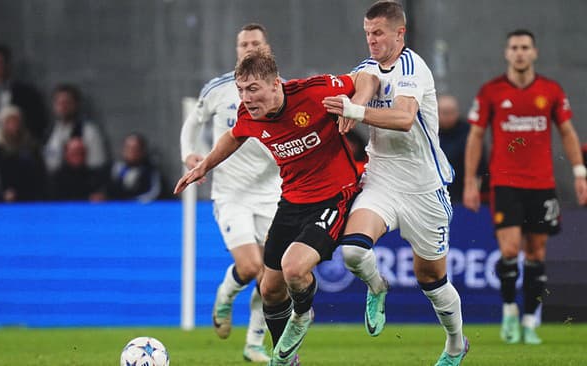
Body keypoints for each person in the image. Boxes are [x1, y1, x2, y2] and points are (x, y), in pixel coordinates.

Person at [175, 49, 378, 366]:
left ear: (275, 84)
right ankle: (289, 358)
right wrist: (205, 166)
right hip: (291, 200)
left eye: (252, 89)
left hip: (333, 196)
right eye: (241, 90)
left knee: (294, 269)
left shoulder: (314, 92)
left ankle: (303, 312)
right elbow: (234, 136)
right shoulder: (248, 114)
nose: (246, 97)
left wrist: (356, 107)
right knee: (269, 288)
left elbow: (367, 77)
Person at [322, 2, 468, 365]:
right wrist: (355, 101)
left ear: (400, 33)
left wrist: (355, 111)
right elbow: (365, 80)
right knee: (353, 251)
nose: (371, 40)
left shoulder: (413, 67)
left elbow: (403, 118)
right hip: (382, 179)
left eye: (379, 33)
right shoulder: (369, 65)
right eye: (367, 33)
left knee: (431, 279)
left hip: (424, 188)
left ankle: (455, 344)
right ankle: (377, 286)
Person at [463, 29, 587, 345]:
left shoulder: (551, 90)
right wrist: (470, 180)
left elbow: (569, 133)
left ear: (534, 53)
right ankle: (509, 312)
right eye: (514, 47)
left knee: (536, 252)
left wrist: (579, 172)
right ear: (507, 53)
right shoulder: (491, 91)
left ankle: (531, 320)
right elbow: (476, 136)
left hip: (542, 184)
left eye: (525, 47)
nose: (520, 52)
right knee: (509, 249)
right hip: (505, 183)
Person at [179, 23, 281, 363]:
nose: (249, 48)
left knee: (272, 277)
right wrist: (187, 153)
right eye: (243, 44)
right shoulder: (220, 88)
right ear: (236, 50)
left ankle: (253, 343)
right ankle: (226, 294)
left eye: (255, 42)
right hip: (231, 193)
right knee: (251, 266)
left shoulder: (280, 90)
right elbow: (193, 122)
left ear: (266, 48)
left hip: (273, 192)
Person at [0, 44, 48, 143]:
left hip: (14, 147)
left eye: (2, 62)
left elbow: (37, 122)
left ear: (9, 65)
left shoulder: (25, 93)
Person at [43, 84, 107, 174]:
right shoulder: (50, 131)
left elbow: (97, 164)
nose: (63, 107)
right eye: (59, 103)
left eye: (67, 103)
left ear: (76, 104)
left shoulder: (88, 131)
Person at [437, 94, 487, 203]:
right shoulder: (429, 133)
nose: (448, 116)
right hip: (436, 191)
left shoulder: (468, 133)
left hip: (463, 191)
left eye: (452, 112)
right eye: (444, 112)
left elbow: (480, 165)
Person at [0, 105, 46, 201]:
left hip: (28, 193)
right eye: (9, 121)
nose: (13, 125)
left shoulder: (31, 146)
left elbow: (38, 172)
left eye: (15, 121)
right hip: (2, 195)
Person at [107, 132, 162, 203]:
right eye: (128, 148)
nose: (131, 152)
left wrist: (132, 202)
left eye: (135, 148)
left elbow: (154, 194)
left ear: (142, 151)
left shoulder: (150, 172)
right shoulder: (114, 168)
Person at [49, 137, 106, 201]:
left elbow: (99, 196)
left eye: (81, 152)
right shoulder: (57, 177)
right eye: (74, 153)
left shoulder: (93, 176)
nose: (78, 156)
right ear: (66, 154)